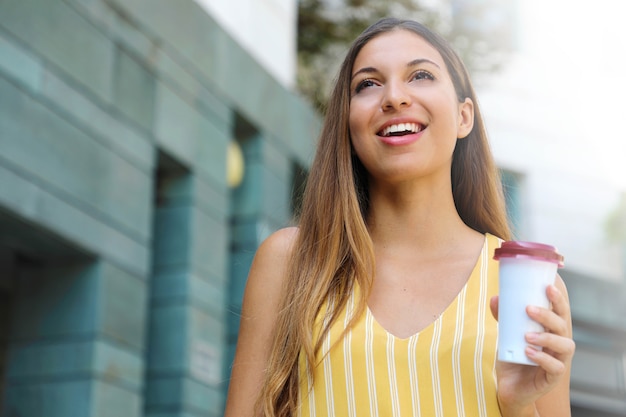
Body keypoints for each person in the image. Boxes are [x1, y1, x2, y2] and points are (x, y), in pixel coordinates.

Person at [224, 17, 575, 417]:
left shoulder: (527, 283)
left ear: (464, 117)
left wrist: (517, 405)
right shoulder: (290, 262)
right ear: (348, 125)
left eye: (421, 75)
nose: (393, 97)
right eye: (368, 84)